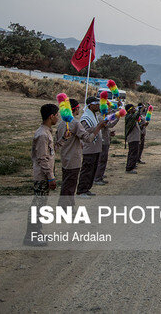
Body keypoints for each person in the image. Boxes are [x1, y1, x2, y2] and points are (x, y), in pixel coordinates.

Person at [57, 98, 104, 204]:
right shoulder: (74, 123)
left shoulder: (62, 123)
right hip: (73, 158)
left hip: (65, 157)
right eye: (78, 107)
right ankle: (66, 209)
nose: (80, 109)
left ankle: (64, 207)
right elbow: (88, 139)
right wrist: (98, 128)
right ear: (74, 109)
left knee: (67, 184)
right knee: (70, 186)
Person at [24, 104, 59, 246]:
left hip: (45, 175)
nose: (58, 118)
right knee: (38, 206)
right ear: (51, 116)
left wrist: (62, 140)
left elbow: (50, 152)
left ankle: (37, 233)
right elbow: (42, 158)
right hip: (42, 176)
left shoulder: (47, 132)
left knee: (40, 206)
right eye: (57, 115)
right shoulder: (42, 134)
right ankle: (31, 236)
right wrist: (50, 176)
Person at [76, 97, 106, 198]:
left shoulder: (94, 116)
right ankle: (81, 190)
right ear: (90, 105)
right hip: (89, 148)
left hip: (96, 148)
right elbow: (85, 132)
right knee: (87, 169)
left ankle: (87, 188)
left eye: (98, 103)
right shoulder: (86, 118)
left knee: (92, 170)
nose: (98, 105)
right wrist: (99, 126)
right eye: (96, 104)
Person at [93, 103, 119, 185]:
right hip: (103, 142)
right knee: (102, 160)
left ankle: (99, 175)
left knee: (102, 160)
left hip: (105, 140)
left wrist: (110, 133)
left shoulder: (103, 117)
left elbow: (106, 128)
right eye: (107, 109)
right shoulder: (101, 118)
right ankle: (97, 178)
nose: (109, 110)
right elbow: (110, 124)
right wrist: (118, 117)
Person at [124, 104, 141, 174]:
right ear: (130, 110)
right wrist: (140, 110)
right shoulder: (129, 117)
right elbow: (135, 116)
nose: (135, 109)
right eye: (133, 108)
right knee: (132, 153)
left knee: (134, 153)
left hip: (135, 138)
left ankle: (132, 166)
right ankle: (129, 168)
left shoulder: (132, 117)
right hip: (132, 138)